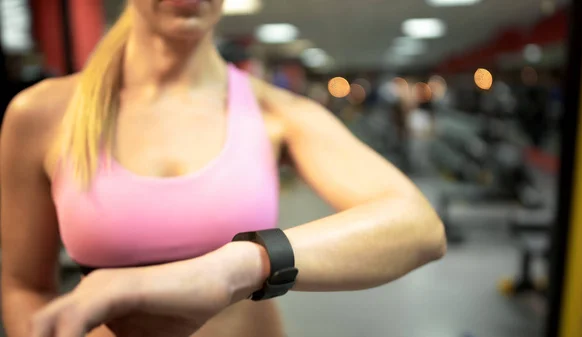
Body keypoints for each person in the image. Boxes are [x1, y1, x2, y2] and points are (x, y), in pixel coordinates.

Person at [0, 1, 446, 337]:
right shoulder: (42, 114)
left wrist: (238, 266)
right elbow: (22, 285)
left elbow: (419, 227)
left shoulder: (276, 111)